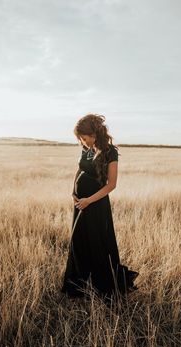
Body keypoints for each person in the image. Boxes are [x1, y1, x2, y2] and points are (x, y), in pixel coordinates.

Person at [60, 114, 139, 301]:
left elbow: (111, 185)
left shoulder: (110, 152)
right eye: (80, 139)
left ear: (94, 134)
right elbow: (80, 170)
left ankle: (102, 286)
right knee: (80, 242)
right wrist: (74, 192)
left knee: (97, 243)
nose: (82, 142)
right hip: (81, 204)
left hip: (96, 205)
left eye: (84, 138)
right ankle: (79, 285)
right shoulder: (86, 149)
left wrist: (89, 200)